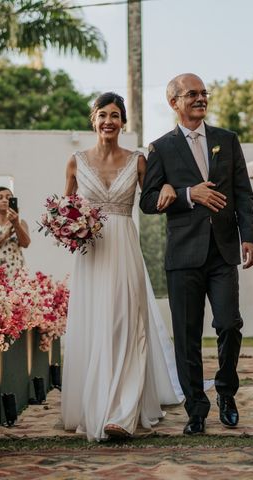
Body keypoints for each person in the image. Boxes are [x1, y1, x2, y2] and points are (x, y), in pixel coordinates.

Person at [61, 92, 183, 441]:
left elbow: (152, 199)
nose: (109, 121)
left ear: (123, 122)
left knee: (128, 323)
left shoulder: (138, 161)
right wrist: (69, 226)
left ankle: (123, 412)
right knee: (96, 323)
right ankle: (95, 402)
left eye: (115, 115)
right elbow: (64, 209)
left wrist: (170, 188)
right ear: (93, 120)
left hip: (125, 245)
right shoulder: (75, 161)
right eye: (103, 115)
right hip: (91, 252)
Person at [140, 74, 253, 435]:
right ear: (174, 101)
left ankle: (226, 392)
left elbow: (244, 193)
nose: (200, 98)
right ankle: (196, 408)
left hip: (223, 252)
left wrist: (248, 237)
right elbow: (147, 202)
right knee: (187, 334)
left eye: (203, 93)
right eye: (192, 94)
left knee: (229, 325)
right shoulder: (160, 148)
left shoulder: (227, 140)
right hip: (183, 255)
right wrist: (189, 194)